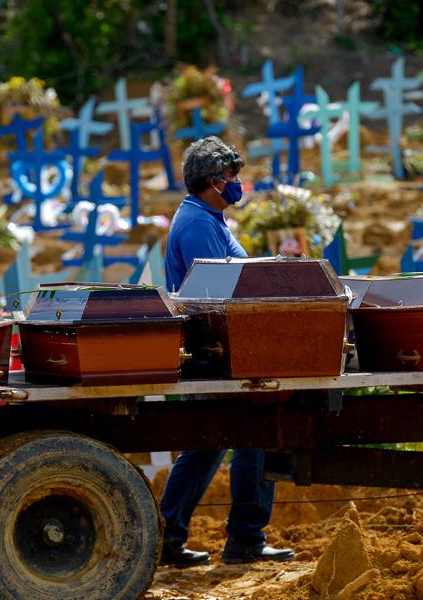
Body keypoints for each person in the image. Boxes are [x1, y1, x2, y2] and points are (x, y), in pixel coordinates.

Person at [158, 137, 295, 567]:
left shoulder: (209, 218)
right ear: (211, 181)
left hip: (218, 347)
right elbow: (221, 291)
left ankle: (167, 538)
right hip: (217, 350)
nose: (238, 183)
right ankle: (246, 540)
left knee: (206, 447)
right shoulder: (199, 224)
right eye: (232, 176)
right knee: (253, 435)